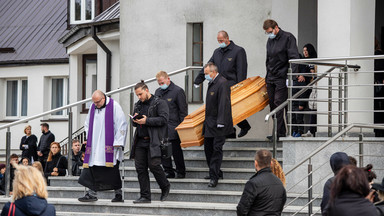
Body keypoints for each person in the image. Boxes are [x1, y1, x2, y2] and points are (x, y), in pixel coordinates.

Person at [194, 30, 251, 138]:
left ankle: (244, 126)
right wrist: (198, 80)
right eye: (218, 40)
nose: (220, 42)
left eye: (221, 40)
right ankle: (231, 131)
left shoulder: (238, 51)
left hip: (232, 85)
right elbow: (208, 66)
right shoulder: (217, 52)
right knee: (220, 109)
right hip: (218, 84)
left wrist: (240, 87)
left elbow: (241, 70)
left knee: (229, 108)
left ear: (227, 38)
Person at [78, 90, 127, 203]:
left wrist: (119, 141)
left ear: (103, 98)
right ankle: (91, 194)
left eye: (97, 102)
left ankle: (118, 194)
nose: (95, 105)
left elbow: (122, 124)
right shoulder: (93, 107)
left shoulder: (114, 106)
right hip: (95, 145)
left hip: (110, 145)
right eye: (94, 102)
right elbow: (87, 124)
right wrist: (89, 138)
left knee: (112, 170)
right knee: (92, 168)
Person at [130, 81, 171, 203]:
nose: (139, 97)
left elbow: (164, 119)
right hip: (140, 141)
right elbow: (133, 123)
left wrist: (147, 121)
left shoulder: (159, 102)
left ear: (146, 90)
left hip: (154, 140)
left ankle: (165, 186)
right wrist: (135, 119)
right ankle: (145, 196)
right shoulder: (138, 104)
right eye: (137, 95)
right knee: (140, 168)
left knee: (154, 165)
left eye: (140, 94)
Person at [263, 19, 300, 140]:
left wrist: (291, 77)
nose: (269, 34)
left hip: (282, 77)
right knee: (273, 105)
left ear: (276, 28)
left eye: (270, 31)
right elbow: (268, 59)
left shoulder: (288, 38)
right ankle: (280, 131)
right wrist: (267, 75)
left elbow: (294, 58)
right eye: (267, 33)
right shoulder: (270, 40)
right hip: (271, 77)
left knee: (279, 103)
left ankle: (278, 133)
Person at [202, 63, 233, 187]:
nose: (205, 76)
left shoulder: (222, 82)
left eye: (206, 73)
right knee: (208, 149)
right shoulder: (213, 82)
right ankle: (215, 171)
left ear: (213, 72)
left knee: (216, 150)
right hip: (209, 123)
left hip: (219, 124)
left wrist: (221, 121)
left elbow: (223, 104)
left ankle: (214, 177)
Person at [155, 71, 187, 179]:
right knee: (164, 151)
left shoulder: (178, 91)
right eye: (159, 83)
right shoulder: (158, 92)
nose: (161, 85)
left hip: (174, 126)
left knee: (176, 151)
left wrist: (183, 128)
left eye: (162, 82)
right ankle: (168, 170)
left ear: (168, 79)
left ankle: (181, 171)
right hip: (162, 126)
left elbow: (183, 111)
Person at [236, 149, 286, 215]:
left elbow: (242, 209)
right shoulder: (279, 183)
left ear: (256, 163)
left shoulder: (252, 183)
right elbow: (281, 205)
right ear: (271, 163)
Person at [293, 43, 317, 137]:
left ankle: (308, 130)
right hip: (306, 87)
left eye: (306, 51)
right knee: (295, 111)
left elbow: (313, 75)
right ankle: (297, 130)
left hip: (311, 87)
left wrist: (307, 74)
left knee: (311, 108)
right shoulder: (302, 62)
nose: (305, 52)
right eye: (304, 51)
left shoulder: (314, 61)